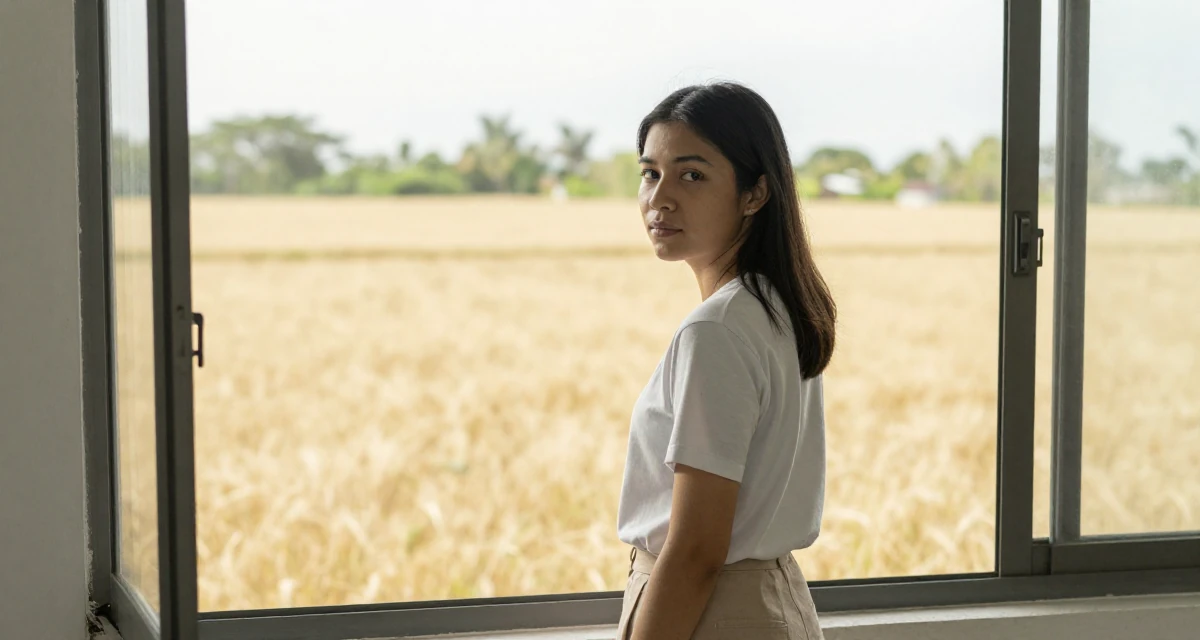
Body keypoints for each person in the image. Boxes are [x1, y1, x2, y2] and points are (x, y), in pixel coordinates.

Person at [615, 82, 837, 640]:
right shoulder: (773, 307)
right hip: (770, 602)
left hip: (714, 613)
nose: (659, 197)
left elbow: (695, 551)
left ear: (755, 193)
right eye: (650, 172)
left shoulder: (715, 330)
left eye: (692, 175)